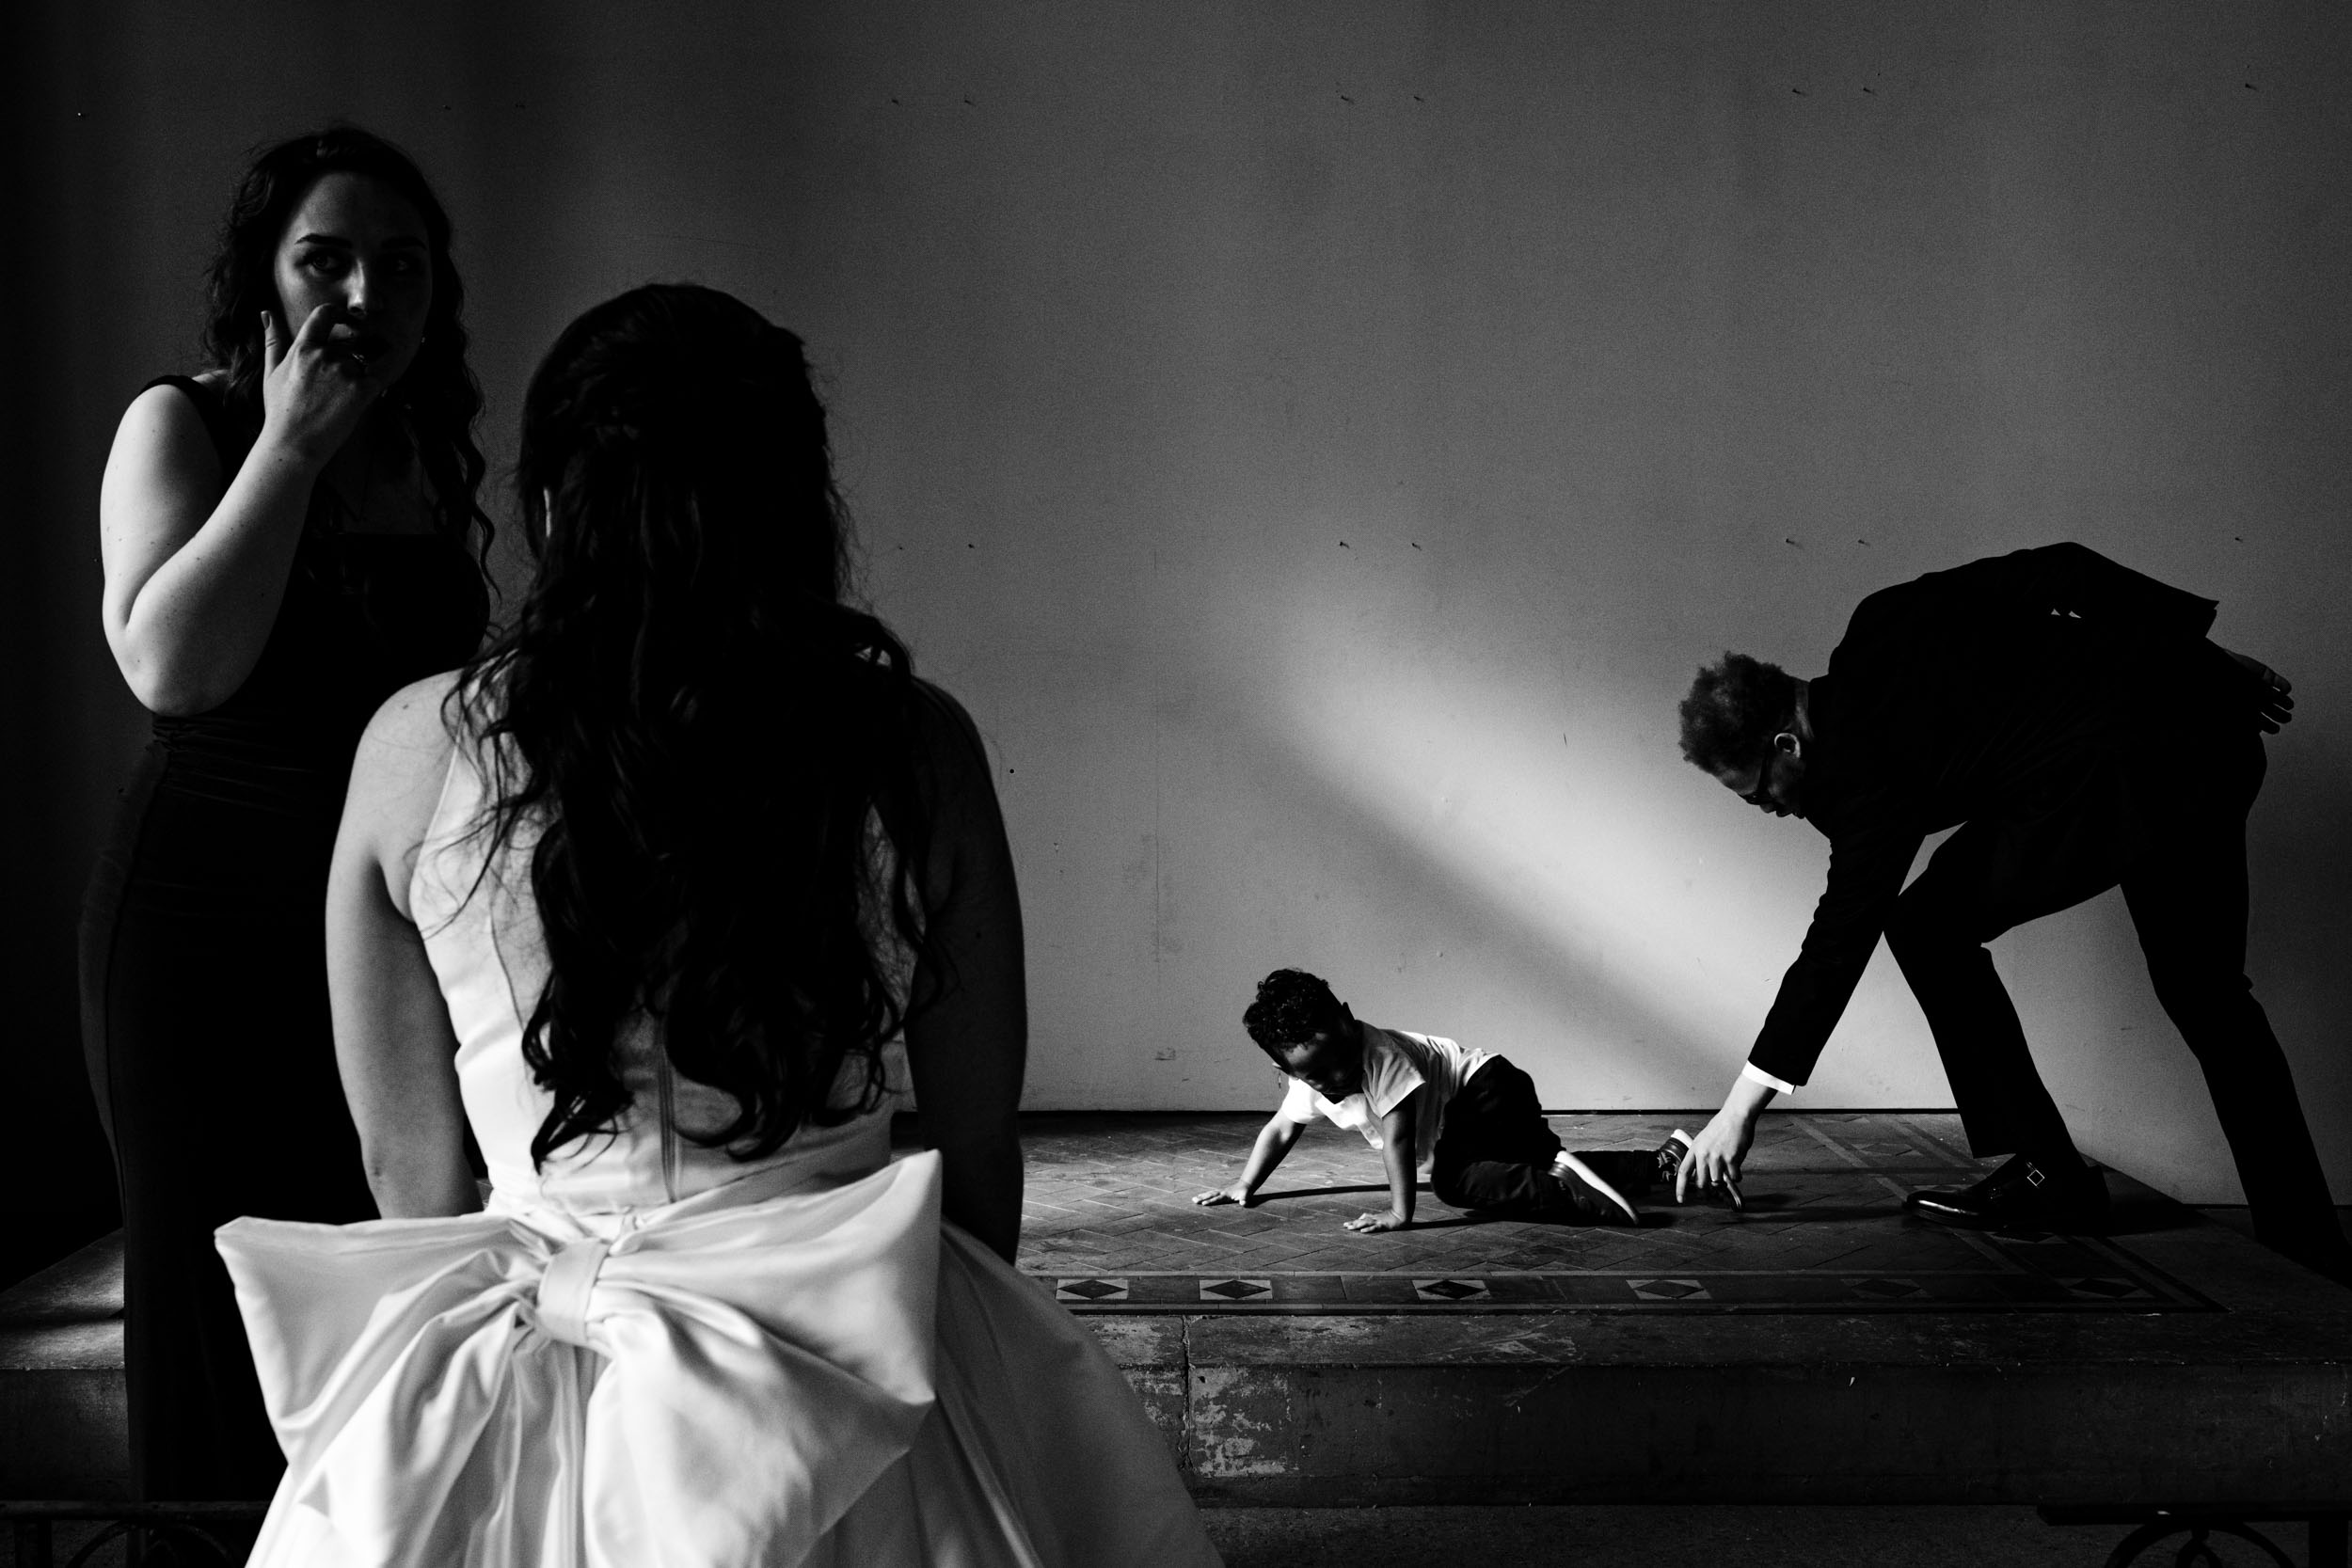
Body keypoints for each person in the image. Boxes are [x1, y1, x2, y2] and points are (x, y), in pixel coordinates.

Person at [213, 284, 1221, 1566]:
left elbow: (407, 1177)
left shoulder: (414, 751)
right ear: (798, 508)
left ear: (548, 510)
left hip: (515, 1358)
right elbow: (975, 1147)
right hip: (839, 1365)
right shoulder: (914, 748)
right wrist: (938, 1380)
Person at [80, 126, 492, 1502]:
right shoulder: (178, 423)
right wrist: (291, 446)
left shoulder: (433, 458)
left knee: (386, 1281)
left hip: (381, 935)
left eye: (402, 266)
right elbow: (172, 666)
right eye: (327, 260)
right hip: (206, 927)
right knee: (214, 1299)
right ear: (263, 273)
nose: (365, 295)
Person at [1671, 542, 2350, 1283]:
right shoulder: (1881, 621)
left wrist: (1741, 1109)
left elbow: (1835, 946)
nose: (1769, 809)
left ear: (1786, 745)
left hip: (2143, 770)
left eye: (1758, 791)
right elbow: (2059, 569)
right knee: (2207, 993)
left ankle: (2053, 1174)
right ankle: (2307, 1239)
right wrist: (2205, 662)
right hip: (2203, 738)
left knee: (1927, 925)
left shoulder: (1863, 785)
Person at [1193, 969, 1686, 1229]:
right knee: (1527, 1167)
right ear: (1287, 1072)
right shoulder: (1312, 1083)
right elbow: (1281, 1129)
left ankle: (1572, 1197)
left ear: (1349, 1018)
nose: (1340, 1075)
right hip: (1489, 1098)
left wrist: (1399, 1214)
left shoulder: (1379, 1055)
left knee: (1455, 1183)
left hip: (1487, 1092)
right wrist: (1244, 1182)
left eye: (1342, 1054)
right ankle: (1663, 1166)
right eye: (1317, 1075)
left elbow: (1398, 1140)